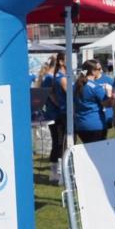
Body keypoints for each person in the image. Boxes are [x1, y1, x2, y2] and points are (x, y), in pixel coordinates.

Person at [43, 52, 69, 184]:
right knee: (59, 143)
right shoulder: (52, 77)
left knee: (61, 143)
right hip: (56, 114)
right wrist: (59, 104)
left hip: (61, 113)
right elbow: (48, 94)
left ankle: (59, 173)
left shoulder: (59, 76)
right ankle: (58, 173)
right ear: (60, 62)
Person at [74, 60, 112, 144]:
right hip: (95, 125)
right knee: (98, 154)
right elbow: (108, 104)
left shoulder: (76, 85)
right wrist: (109, 92)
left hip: (80, 125)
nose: (101, 71)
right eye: (99, 69)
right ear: (93, 71)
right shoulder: (95, 87)